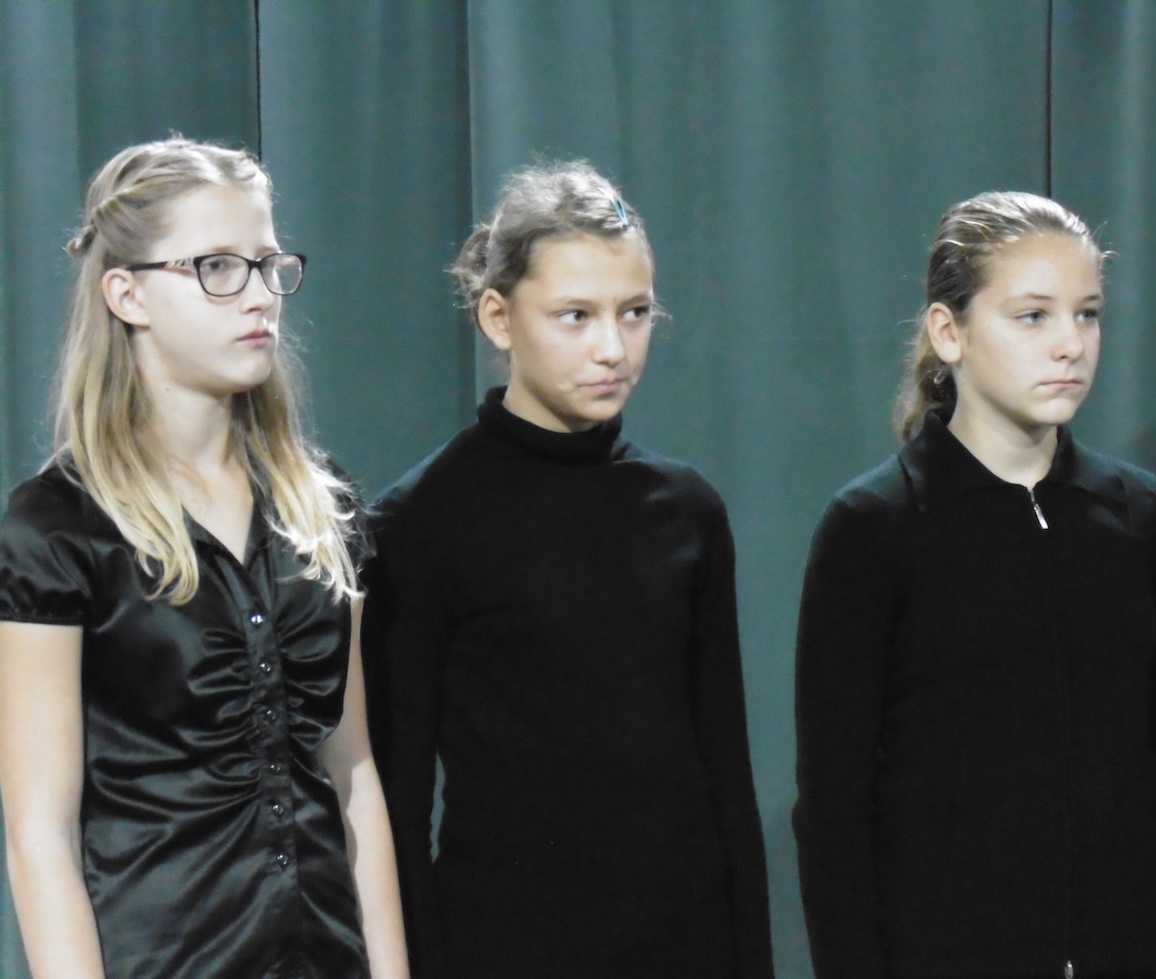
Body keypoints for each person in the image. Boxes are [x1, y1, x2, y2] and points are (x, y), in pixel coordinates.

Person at [793, 191, 1156, 979]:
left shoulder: (1140, 518)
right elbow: (835, 812)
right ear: (949, 331)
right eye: (1033, 316)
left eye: (1088, 314)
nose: (1070, 343)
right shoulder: (874, 528)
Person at [0, 137, 408, 979]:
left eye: (268, 265)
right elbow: (40, 834)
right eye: (218, 267)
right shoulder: (58, 528)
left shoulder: (320, 504)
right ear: (128, 294)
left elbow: (352, 772)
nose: (258, 295)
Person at [362, 161, 774, 978]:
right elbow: (398, 799)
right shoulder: (422, 521)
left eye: (635, 312)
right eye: (575, 316)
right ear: (499, 316)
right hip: (504, 950)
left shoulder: (686, 511)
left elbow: (727, 775)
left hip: (684, 948)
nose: (612, 347)